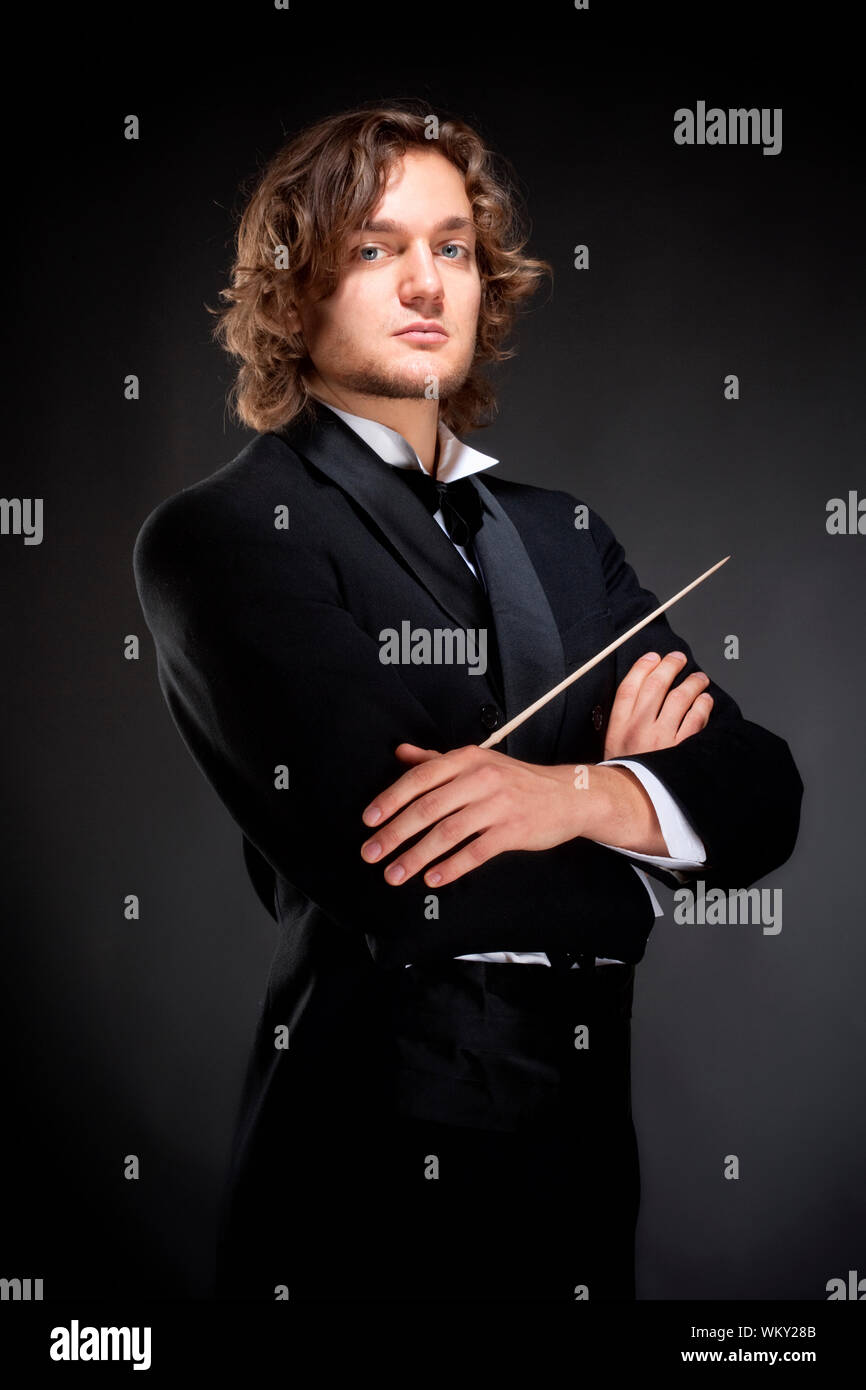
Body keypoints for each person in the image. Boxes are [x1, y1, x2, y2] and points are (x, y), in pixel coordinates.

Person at [132, 101, 803, 1302]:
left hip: (584, 1177)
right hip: (359, 1188)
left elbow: (761, 797)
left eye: (451, 247)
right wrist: (647, 838)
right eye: (375, 245)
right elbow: (396, 862)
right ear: (291, 287)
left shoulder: (563, 535)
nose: (425, 281)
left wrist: (565, 795)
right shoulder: (225, 534)